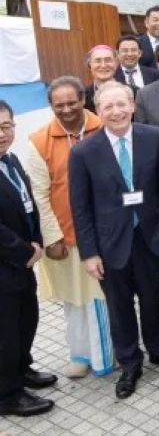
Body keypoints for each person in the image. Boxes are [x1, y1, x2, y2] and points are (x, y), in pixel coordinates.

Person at [68, 82, 159, 399]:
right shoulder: (83, 152)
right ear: (98, 111)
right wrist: (89, 253)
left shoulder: (154, 138)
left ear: (133, 105)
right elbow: (80, 208)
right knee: (119, 307)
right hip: (110, 244)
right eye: (108, 107)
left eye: (122, 104)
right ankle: (130, 363)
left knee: (151, 299)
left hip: (151, 235)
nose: (117, 112)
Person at [23, 77, 112, 379]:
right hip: (63, 236)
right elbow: (40, 193)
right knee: (74, 299)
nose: (66, 109)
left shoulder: (104, 126)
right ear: (51, 106)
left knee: (104, 296)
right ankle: (80, 353)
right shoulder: (39, 141)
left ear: (82, 99)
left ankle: (108, 353)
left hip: (106, 232)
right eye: (58, 105)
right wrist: (52, 237)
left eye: (72, 102)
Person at [0, 99, 56, 417]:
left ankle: (21, 370)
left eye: (6, 126)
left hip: (23, 263)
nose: (1, 133)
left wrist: (36, 239)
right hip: (7, 264)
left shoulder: (12, 161)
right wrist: (25, 251)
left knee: (25, 320)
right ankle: (7, 394)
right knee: (5, 333)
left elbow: (28, 204)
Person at [83, 45, 118, 113]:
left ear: (116, 63)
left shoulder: (133, 91)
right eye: (98, 61)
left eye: (108, 60)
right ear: (90, 64)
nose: (103, 65)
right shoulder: (82, 96)